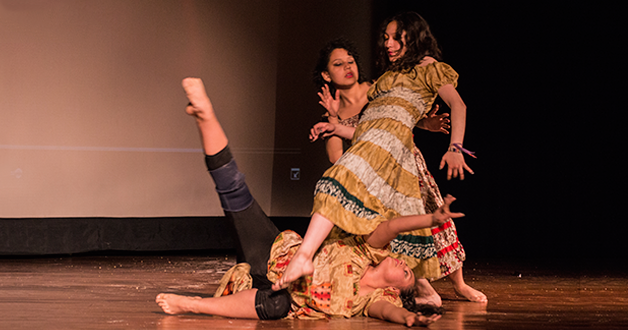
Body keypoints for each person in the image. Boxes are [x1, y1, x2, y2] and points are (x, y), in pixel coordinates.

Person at [155, 77, 458, 326]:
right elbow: (391, 226)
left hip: (277, 294)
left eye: (405, 272)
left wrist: (408, 317)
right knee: (233, 188)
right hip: (275, 251)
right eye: (408, 266)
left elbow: (389, 313)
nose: (403, 263)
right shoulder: (369, 250)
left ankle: (194, 304)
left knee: (278, 305)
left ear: (394, 288)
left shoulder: (374, 299)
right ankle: (205, 115)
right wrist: (431, 220)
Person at [272, 13, 480, 304]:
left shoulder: (428, 67)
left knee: (418, 218)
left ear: (415, 35)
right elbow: (375, 122)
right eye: (386, 38)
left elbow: (458, 104)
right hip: (372, 144)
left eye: (397, 37)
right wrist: (334, 125)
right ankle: (416, 289)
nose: (389, 44)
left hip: (394, 150)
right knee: (379, 214)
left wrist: (455, 146)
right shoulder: (386, 79)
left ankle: (306, 256)